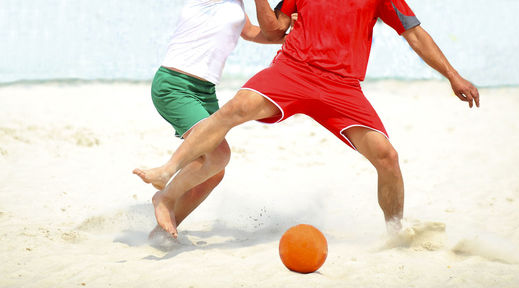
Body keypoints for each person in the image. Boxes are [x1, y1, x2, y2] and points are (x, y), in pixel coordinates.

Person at [134, 0, 480, 239]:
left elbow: (415, 34)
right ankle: (168, 172)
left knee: (387, 157)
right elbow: (274, 28)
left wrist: (453, 75)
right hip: (292, 71)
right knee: (236, 109)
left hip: (343, 86)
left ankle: (395, 231)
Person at [133, 0, 285, 238]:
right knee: (219, 154)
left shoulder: (235, 3)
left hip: (205, 92)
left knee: (213, 171)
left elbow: (252, 32)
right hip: (175, 85)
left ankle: (162, 234)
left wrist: (297, 36)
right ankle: (164, 197)